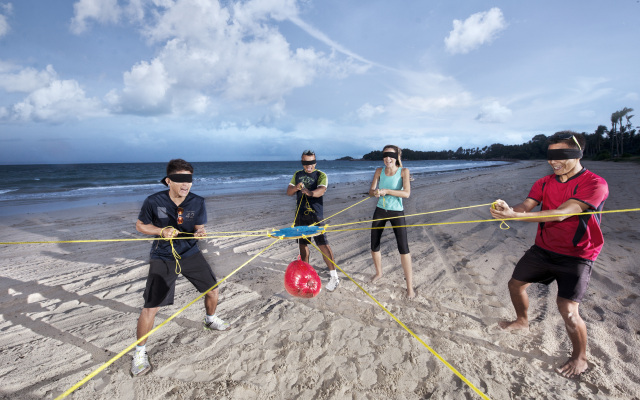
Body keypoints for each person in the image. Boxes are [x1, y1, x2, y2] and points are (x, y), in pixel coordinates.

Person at [490, 131, 608, 379]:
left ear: (577, 154)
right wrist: (511, 210)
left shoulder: (595, 183)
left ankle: (580, 357)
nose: (553, 162)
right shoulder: (543, 183)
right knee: (515, 284)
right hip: (543, 249)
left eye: (561, 156)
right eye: (550, 156)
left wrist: (517, 217)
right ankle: (522, 321)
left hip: (577, 255)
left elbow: (564, 212)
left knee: (567, 309)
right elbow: (527, 205)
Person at [131, 159, 229, 377]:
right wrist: (160, 231)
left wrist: (201, 231)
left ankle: (210, 320)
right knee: (151, 307)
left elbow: (198, 226)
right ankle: (139, 352)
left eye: (189, 180)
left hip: (190, 253)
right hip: (163, 256)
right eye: (181, 180)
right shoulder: (153, 201)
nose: (186, 185)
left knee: (213, 291)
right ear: (169, 181)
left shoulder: (197, 201)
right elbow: (140, 225)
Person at [286, 150, 340, 292]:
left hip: (316, 215)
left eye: (311, 162)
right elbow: (289, 191)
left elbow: (321, 190)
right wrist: (296, 187)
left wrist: (310, 193)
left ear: (315, 162)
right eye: (305, 163)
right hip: (300, 215)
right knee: (303, 245)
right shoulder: (297, 174)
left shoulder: (321, 175)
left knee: (323, 244)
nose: (308, 166)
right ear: (302, 163)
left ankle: (334, 276)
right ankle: (305, 273)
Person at [368, 145, 415, 298]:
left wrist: (386, 191)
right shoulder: (379, 171)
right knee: (374, 245)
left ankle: (410, 287)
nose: (387, 158)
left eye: (391, 155)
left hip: (396, 211)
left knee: (403, 248)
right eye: (385, 155)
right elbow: (371, 191)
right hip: (380, 210)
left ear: (396, 157)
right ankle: (379, 273)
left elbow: (406, 193)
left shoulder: (404, 172)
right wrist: (375, 192)